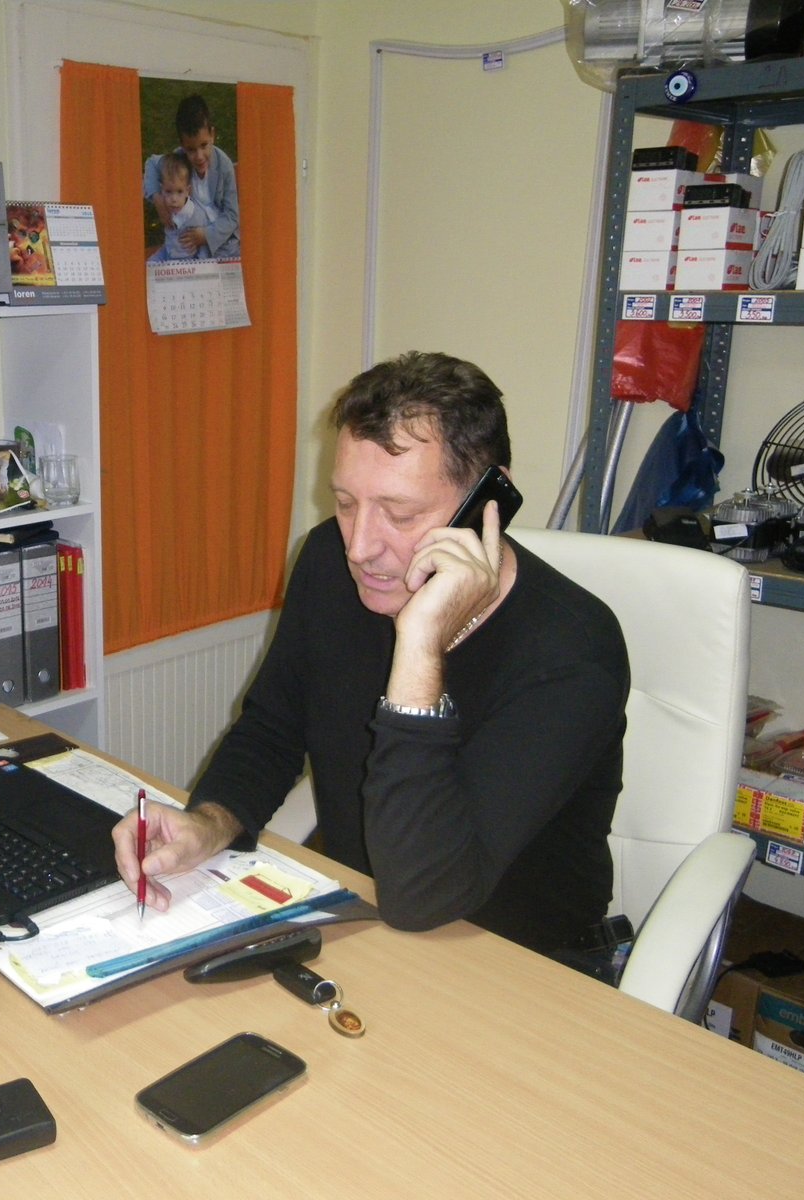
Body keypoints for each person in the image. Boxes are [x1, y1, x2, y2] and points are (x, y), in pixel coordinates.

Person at [111, 351, 630, 957]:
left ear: (490, 502)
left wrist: (420, 645)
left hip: (519, 963)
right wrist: (210, 823)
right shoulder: (329, 562)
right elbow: (274, 729)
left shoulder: (571, 651)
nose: (359, 547)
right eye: (346, 502)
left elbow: (425, 892)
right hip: (363, 917)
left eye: (399, 513)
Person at [142, 93, 240, 259]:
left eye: (204, 145)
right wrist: (157, 199)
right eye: (191, 149)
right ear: (182, 145)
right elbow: (152, 164)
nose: (199, 156)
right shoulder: (179, 159)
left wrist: (205, 236)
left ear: (212, 135)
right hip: (185, 245)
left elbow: (232, 216)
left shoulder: (224, 166)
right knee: (152, 265)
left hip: (221, 245)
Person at [148, 151, 209, 262]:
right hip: (168, 255)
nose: (174, 199)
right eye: (168, 192)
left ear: (188, 191)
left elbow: (204, 246)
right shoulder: (166, 210)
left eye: (179, 192)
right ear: (162, 189)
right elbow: (168, 244)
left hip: (190, 261)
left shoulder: (195, 215)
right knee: (148, 265)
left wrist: (202, 263)